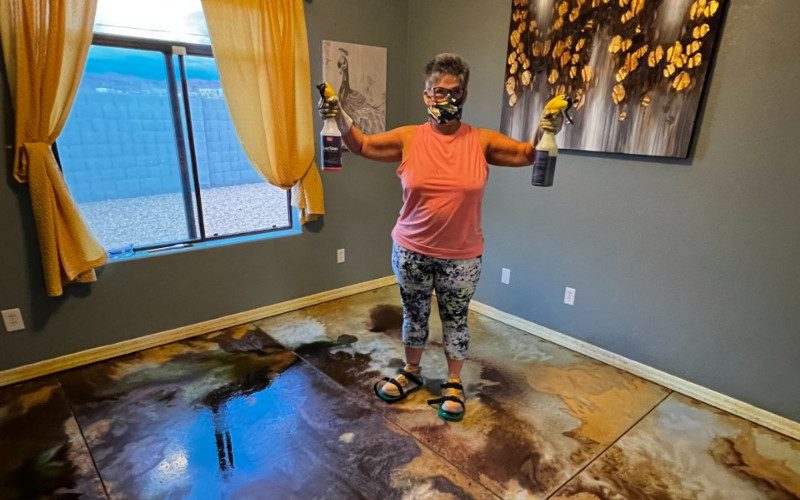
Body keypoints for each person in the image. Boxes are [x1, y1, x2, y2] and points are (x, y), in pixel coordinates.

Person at [319, 53, 563, 422]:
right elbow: (362, 145)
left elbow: (529, 154)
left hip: (462, 255)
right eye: (437, 91)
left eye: (454, 91)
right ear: (426, 94)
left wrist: (545, 127)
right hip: (411, 249)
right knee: (413, 315)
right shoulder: (408, 138)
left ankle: (453, 382)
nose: (445, 98)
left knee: (456, 320)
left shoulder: (481, 141)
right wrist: (339, 115)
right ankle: (412, 372)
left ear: (464, 94)